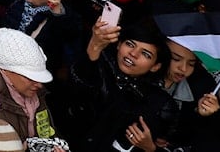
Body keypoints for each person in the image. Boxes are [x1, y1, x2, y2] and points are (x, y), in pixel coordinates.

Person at [68, 19, 176, 152]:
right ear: (119, 44)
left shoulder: (161, 103)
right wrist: (94, 47)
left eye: (145, 54)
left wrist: (150, 148)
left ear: (155, 66)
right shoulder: (98, 67)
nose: (133, 54)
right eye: (130, 44)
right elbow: (78, 94)